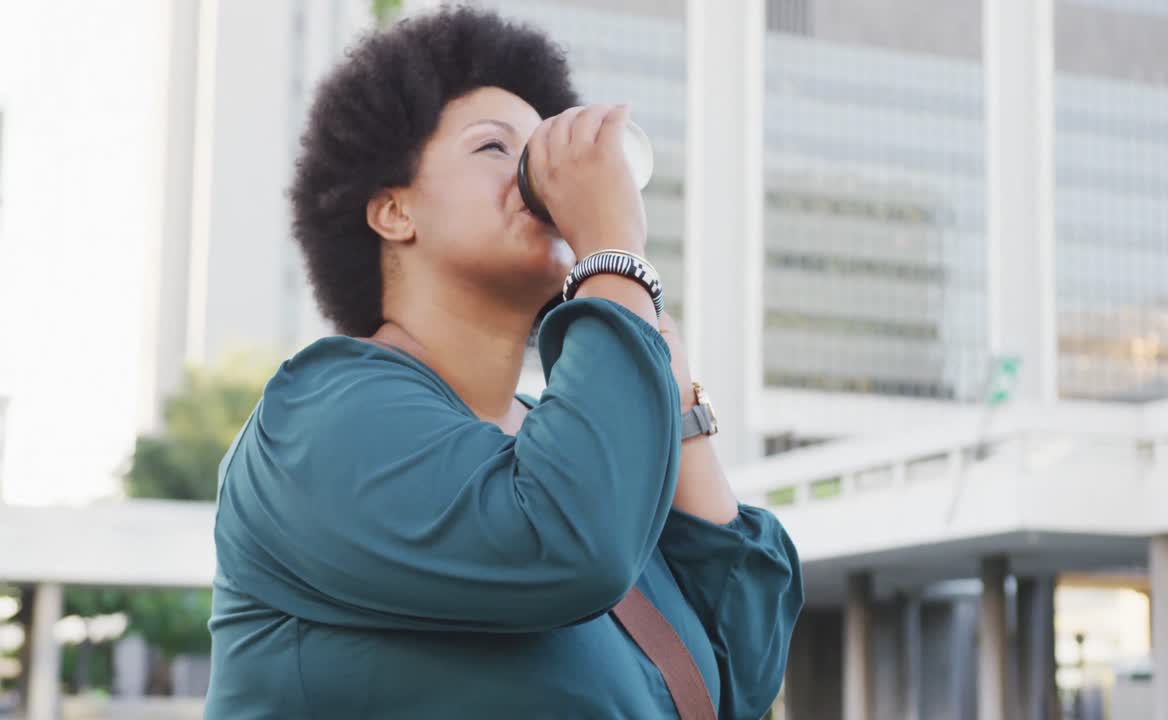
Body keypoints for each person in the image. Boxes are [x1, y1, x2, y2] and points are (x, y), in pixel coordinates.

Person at [205, 6, 803, 719]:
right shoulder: (318, 421)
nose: (540, 179)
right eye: (495, 148)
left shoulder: (573, 442)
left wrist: (675, 405)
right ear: (394, 211)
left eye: (542, 150)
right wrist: (614, 256)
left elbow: (740, 672)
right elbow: (571, 548)